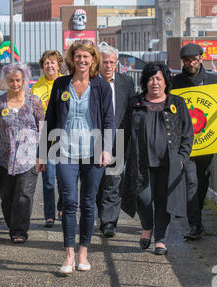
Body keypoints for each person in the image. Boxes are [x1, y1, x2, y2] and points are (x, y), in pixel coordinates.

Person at [42, 40, 115, 274]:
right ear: (72, 59)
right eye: (78, 56)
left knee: (88, 202)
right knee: (69, 202)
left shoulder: (102, 86)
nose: (82, 61)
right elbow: (50, 119)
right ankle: (69, 255)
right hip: (65, 150)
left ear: (94, 60)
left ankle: (84, 251)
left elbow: (109, 120)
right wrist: (43, 152)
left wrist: (107, 148)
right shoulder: (61, 84)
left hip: (94, 151)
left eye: (87, 57)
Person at [121, 63, 194, 255]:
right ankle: (147, 227)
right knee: (143, 198)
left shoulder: (177, 103)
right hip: (141, 160)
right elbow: (124, 131)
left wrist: (182, 157)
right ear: (145, 82)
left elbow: (188, 134)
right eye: (151, 79)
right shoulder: (135, 102)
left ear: (165, 82)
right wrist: (117, 155)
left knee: (163, 201)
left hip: (168, 162)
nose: (155, 83)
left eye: (159, 79)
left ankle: (160, 239)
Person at [172, 42, 217, 240]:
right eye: (187, 60)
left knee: (202, 180)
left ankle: (197, 214)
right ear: (183, 61)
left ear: (201, 58)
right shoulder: (175, 83)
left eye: (194, 59)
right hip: (185, 143)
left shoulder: (213, 81)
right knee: (191, 181)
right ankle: (195, 225)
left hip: (207, 141)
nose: (191, 63)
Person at [0, 62, 44, 244]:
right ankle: (12, 223)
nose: (15, 84)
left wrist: (42, 155)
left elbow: (42, 127)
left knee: (23, 194)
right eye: (11, 80)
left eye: (18, 80)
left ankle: (19, 231)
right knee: (6, 195)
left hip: (28, 156)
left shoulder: (34, 102)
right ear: (6, 81)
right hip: (5, 156)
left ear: (24, 81)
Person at [96, 44, 136, 238]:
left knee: (113, 180)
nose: (109, 65)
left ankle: (109, 222)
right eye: (105, 62)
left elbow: (131, 111)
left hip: (118, 138)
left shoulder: (126, 83)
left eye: (112, 62)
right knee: (97, 181)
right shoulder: (90, 83)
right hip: (94, 139)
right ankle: (100, 212)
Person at [31, 50, 64, 228]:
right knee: (49, 178)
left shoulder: (67, 82)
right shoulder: (36, 87)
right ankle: (49, 215)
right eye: (46, 63)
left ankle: (63, 207)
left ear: (59, 65)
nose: (49, 66)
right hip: (45, 134)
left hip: (65, 134)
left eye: (52, 63)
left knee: (65, 177)